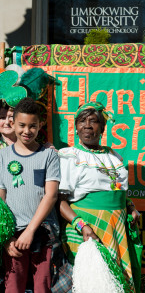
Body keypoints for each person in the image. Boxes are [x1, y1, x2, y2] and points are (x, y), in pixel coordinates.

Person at [58, 101, 140, 292]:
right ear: (76, 128)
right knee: (93, 282)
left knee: (116, 283)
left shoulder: (113, 157)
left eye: (93, 121)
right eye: (82, 122)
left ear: (102, 128)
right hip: (88, 228)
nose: (87, 126)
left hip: (116, 228)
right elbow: (60, 202)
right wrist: (82, 226)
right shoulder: (71, 157)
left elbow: (118, 190)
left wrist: (131, 208)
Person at [0, 97, 61, 293]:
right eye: (22, 125)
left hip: (42, 233)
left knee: (42, 286)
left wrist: (30, 231)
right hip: (13, 236)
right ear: (12, 123)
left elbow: (50, 195)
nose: (27, 131)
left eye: (32, 126)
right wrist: (7, 238)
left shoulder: (49, 155)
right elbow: (1, 198)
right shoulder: (2, 156)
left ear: (40, 124)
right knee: (13, 286)